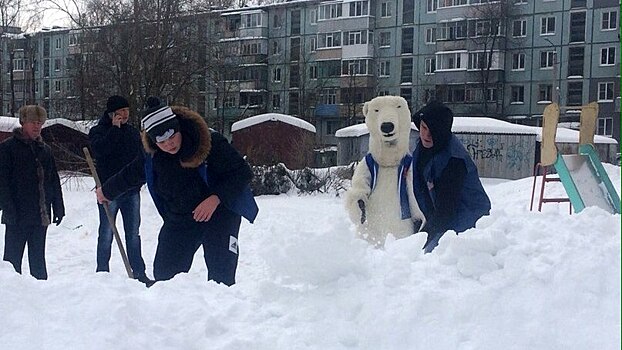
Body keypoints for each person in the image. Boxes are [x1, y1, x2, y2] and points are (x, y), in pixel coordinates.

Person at [96, 97, 258, 286]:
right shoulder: (152, 155)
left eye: (172, 137)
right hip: (181, 217)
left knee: (221, 276)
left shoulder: (208, 142)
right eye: (162, 142)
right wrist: (106, 191)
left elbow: (242, 172)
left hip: (220, 214)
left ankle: (221, 312)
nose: (169, 145)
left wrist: (216, 198)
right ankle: (172, 314)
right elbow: (131, 174)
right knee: (165, 275)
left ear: (179, 128)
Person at [88, 95, 152, 286]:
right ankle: (102, 273)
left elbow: (139, 158)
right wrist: (114, 130)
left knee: (133, 233)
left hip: (131, 191)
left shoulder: (132, 133)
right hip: (108, 192)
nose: (124, 115)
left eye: (127, 111)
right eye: (121, 112)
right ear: (111, 114)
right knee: (106, 233)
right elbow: (101, 151)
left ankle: (139, 273)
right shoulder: (98, 132)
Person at [411, 101, 491, 253]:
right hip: (445, 216)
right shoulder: (422, 150)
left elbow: (446, 209)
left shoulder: (453, 160)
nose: (426, 135)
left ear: (441, 131)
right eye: (423, 128)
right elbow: (422, 190)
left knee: (427, 256)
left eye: (432, 131)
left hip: (470, 221)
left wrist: (425, 235)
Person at [0, 105, 65, 279]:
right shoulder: (8, 148)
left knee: (38, 261)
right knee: (12, 262)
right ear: (23, 123)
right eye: (33, 123)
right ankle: (12, 297)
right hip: (17, 216)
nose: (37, 127)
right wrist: (8, 209)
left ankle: (41, 297)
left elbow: (53, 181)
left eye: (40, 123)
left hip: (39, 215)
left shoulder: (45, 150)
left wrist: (58, 207)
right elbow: (2, 183)